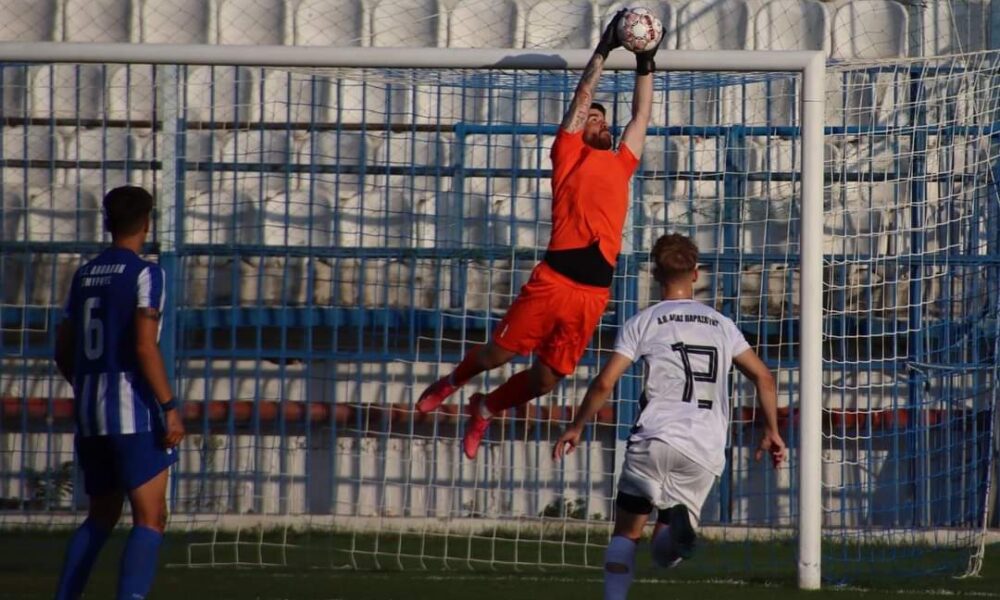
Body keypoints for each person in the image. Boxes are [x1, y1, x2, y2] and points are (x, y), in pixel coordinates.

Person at [416, 10, 658, 460]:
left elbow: (641, 113)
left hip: (592, 293)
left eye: (604, 121)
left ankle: (485, 407)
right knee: (497, 355)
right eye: (594, 119)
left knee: (548, 378)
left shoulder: (622, 161)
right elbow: (583, 98)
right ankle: (450, 382)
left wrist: (646, 62)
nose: (601, 123)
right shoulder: (568, 154)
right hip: (554, 281)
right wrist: (604, 50)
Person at [553, 233, 788, 600]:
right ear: (695, 274)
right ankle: (676, 533)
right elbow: (764, 377)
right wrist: (771, 429)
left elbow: (604, 383)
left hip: (654, 439)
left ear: (655, 274)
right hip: (703, 447)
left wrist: (577, 425)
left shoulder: (643, 322)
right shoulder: (722, 325)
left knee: (626, 534)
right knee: (666, 555)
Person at [53, 185, 185, 600]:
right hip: (132, 410)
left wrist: (87, 386)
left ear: (107, 222)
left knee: (101, 515)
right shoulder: (147, 273)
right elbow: (145, 346)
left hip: (90, 411)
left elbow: (62, 349)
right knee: (151, 517)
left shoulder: (84, 274)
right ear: (147, 222)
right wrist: (169, 406)